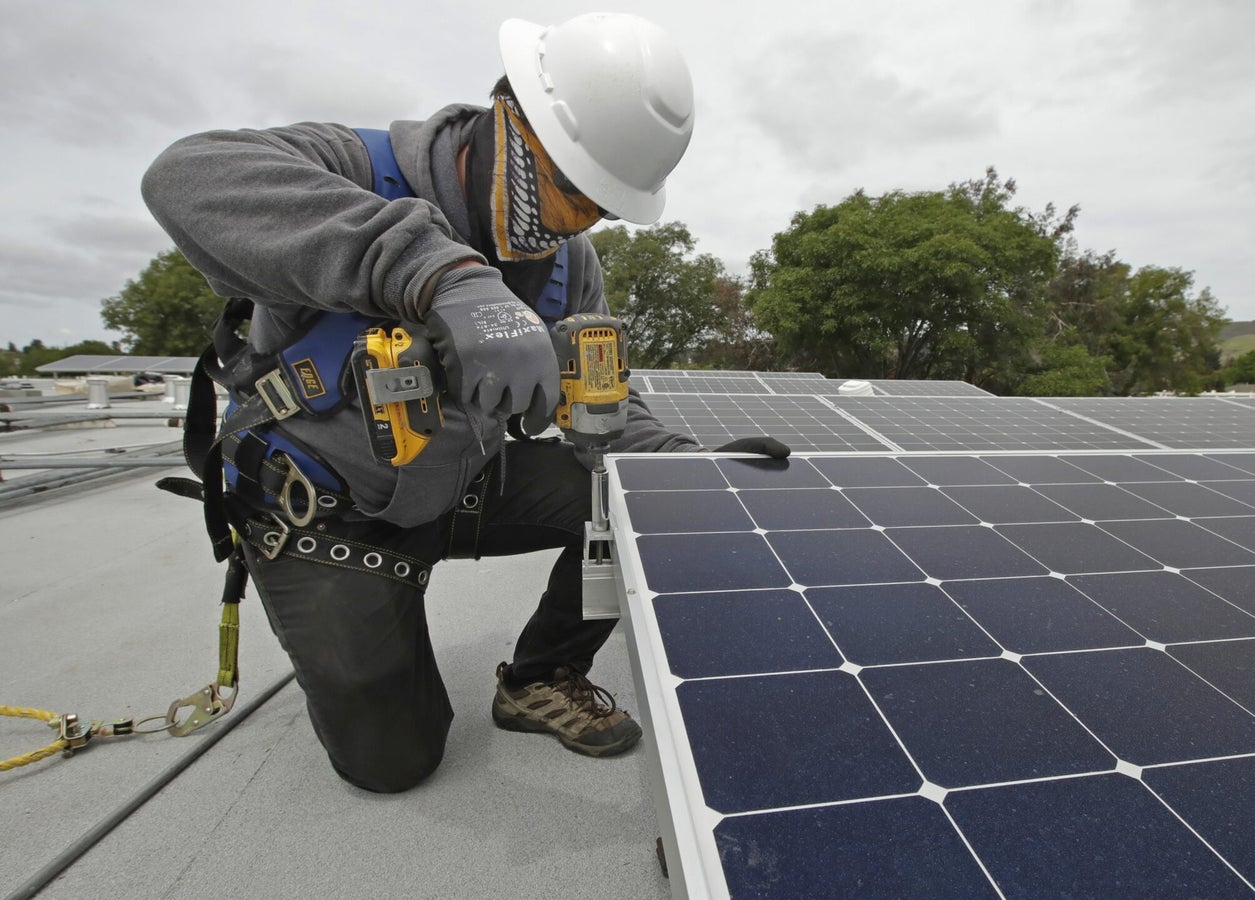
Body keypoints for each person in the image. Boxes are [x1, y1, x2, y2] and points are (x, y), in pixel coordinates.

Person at [141, 12, 787, 793]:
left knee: (627, 505)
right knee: (394, 763)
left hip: (458, 483)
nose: (576, 222)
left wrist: (673, 468)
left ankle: (541, 675)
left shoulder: (566, 265)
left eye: (600, 207)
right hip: (328, 511)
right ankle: (358, 622)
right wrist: (440, 274)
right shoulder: (357, 168)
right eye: (571, 189)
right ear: (510, 121)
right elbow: (184, 175)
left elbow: (599, 400)